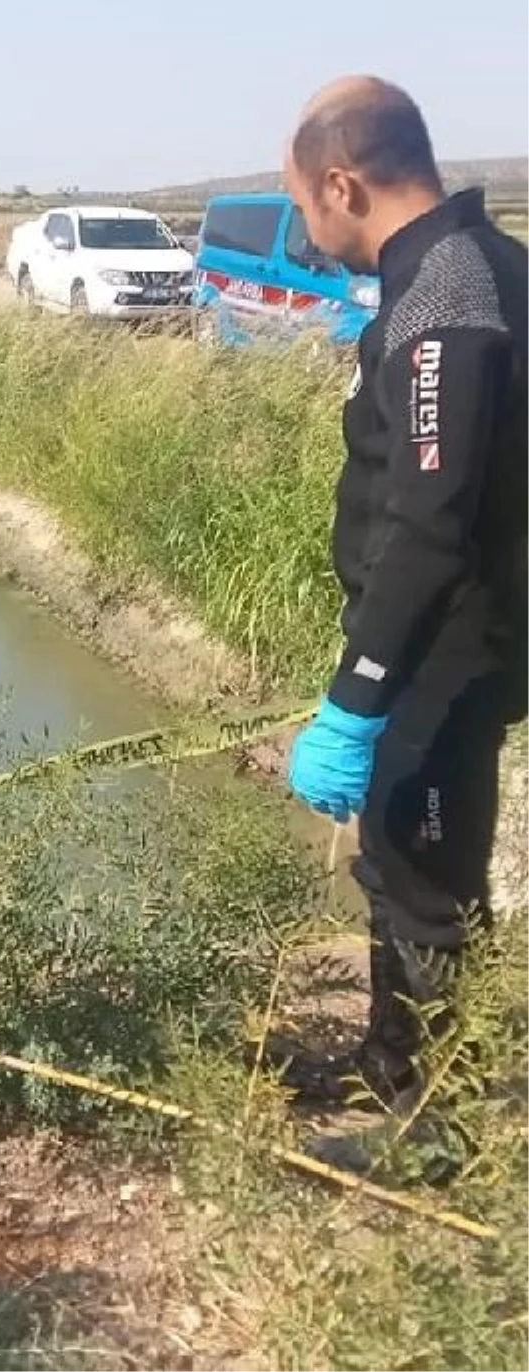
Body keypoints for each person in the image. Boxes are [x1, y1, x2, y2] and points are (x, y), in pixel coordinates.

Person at [285, 77, 529, 1121]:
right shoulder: (488, 266)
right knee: (403, 863)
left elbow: (429, 522)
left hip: (444, 647)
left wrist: (357, 696)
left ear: (342, 182)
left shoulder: (445, 303)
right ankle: (391, 1073)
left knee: (424, 886)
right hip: (469, 635)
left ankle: (432, 1131)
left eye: (303, 203)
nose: (308, 227)